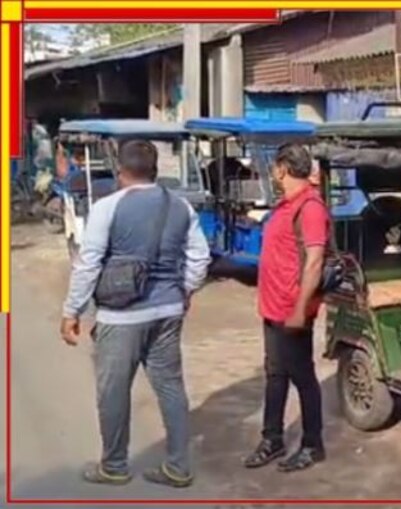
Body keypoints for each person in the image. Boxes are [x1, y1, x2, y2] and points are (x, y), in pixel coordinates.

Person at [60, 139, 211, 487]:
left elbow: (88, 265)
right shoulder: (181, 207)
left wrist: (72, 312)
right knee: (171, 388)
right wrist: (185, 290)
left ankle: (114, 466)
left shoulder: (107, 208)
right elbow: (200, 258)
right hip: (168, 310)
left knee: (113, 391)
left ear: (120, 171)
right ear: (156, 171)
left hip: (120, 316)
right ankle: (178, 466)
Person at [243, 142, 329, 473]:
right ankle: (272, 438)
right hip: (273, 308)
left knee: (302, 377)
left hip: (292, 311)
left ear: (282, 168)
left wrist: (299, 309)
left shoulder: (309, 208)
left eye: (274, 167)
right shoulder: (286, 206)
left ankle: (312, 443)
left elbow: (315, 261)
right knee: (275, 375)